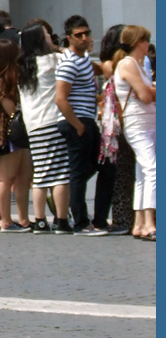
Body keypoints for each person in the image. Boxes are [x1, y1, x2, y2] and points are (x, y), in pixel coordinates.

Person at [55, 14, 112, 236]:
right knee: (78, 173)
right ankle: (80, 222)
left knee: (105, 166)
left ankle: (98, 219)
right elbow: (61, 98)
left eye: (87, 33)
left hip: (86, 120)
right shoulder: (69, 62)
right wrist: (78, 126)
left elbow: (99, 70)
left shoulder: (83, 60)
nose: (85, 38)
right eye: (79, 35)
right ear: (69, 37)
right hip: (76, 122)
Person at [18, 20, 71, 234]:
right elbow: (72, 56)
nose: (51, 37)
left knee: (39, 174)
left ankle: (39, 220)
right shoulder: (52, 60)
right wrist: (58, 46)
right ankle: (61, 219)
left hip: (33, 125)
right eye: (46, 35)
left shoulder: (23, 66)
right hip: (51, 121)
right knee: (60, 174)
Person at [0, 38, 32, 232]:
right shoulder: (0, 79)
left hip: (12, 133)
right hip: (9, 134)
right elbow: (10, 109)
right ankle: (7, 220)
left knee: (23, 176)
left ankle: (23, 219)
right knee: (8, 177)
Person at [113, 25, 156, 240]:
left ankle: (139, 223)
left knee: (142, 172)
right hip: (137, 122)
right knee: (153, 169)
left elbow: (147, 93)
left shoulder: (139, 65)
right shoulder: (128, 64)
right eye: (146, 40)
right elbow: (146, 96)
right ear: (138, 42)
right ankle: (149, 222)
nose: (148, 44)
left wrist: (149, 91)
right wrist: (149, 91)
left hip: (147, 122)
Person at [100, 24, 134, 234]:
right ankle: (123, 217)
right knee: (123, 172)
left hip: (116, 121)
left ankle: (126, 217)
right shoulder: (113, 64)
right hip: (118, 122)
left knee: (126, 171)